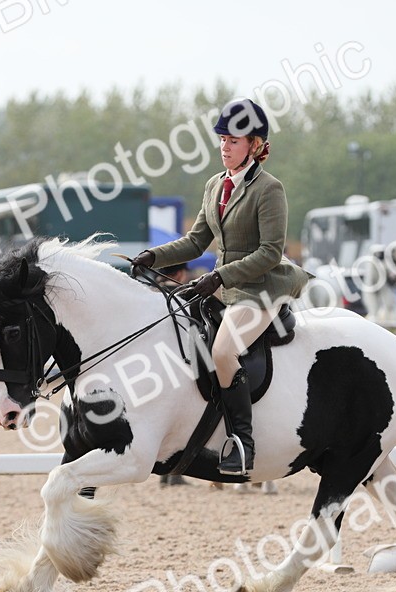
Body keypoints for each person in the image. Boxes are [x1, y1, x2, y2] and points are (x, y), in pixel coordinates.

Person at [130, 98, 309, 476]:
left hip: (261, 288)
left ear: (255, 145)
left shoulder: (269, 189)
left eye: (234, 141)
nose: (225, 147)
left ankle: (243, 443)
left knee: (224, 352)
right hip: (223, 285)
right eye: (222, 140)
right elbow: (195, 242)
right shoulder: (216, 185)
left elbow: (270, 252)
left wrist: (219, 277)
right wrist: (152, 256)